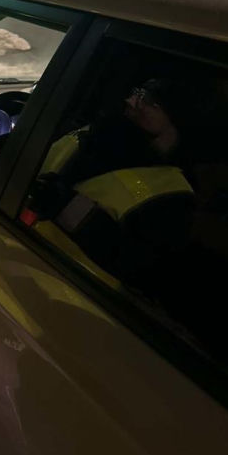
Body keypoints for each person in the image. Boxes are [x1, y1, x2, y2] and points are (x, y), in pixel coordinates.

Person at [28, 78, 197, 296]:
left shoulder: (176, 197)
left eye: (148, 100)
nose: (131, 101)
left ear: (178, 121)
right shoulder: (89, 134)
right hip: (13, 260)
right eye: (137, 92)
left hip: (68, 298)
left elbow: (142, 272)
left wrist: (68, 207)